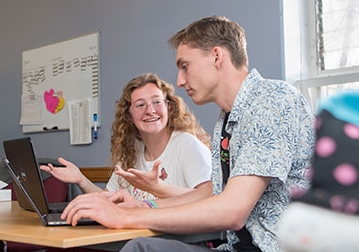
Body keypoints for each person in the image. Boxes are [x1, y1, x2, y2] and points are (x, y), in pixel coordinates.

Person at [60, 16, 315, 252]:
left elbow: (232, 211)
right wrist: (144, 205)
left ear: (217, 56)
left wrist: (126, 216)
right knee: (142, 248)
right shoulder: (228, 118)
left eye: (185, 66)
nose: (180, 81)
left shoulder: (271, 101)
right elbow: (216, 192)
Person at [40, 73, 212, 201]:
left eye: (157, 102)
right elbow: (109, 199)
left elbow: (208, 200)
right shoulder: (132, 152)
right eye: (140, 105)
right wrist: (81, 179)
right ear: (129, 115)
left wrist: (157, 188)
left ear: (169, 108)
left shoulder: (187, 145)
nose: (150, 110)